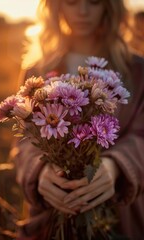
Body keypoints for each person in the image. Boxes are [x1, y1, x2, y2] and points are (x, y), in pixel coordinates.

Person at [14, 0, 144, 239]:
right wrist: (39, 172)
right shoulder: (37, 70)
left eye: (93, 2)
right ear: (55, 7)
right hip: (52, 214)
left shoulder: (137, 70)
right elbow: (24, 142)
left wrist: (116, 166)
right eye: (72, 2)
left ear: (110, 7)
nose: (83, 12)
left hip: (119, 217)